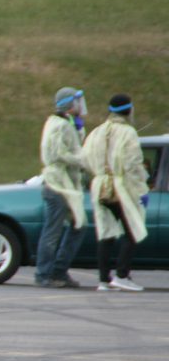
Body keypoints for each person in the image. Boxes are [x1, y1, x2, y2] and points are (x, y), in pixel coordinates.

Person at [82, 94, 149, 292]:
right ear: (128, 110)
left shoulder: (96, 132)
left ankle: (103, 280)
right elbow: (133, 163)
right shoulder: (128, 133)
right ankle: (122, 275)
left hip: (99, 185)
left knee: (106, 233)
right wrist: (141, 187)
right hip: (120, 187)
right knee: (133, 231)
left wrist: (99, 174)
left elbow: (85, 159)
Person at [34, 87, 89, 288]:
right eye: (76, 101)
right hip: (57, 185)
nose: (80, 105)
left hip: (67, 184)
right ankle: (44, 274)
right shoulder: (58, 125)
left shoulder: (68, 124)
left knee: (79, 225)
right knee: (53, 231)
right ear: (68, 104)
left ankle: (59, 270)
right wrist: (83, 160)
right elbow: (58, 154)